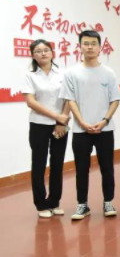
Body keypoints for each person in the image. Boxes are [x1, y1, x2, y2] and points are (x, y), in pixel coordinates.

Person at [59, 30, 120, 220]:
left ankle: (108, 202)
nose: (89, 47)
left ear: (99, 47)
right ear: (80, 47)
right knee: (81, 169)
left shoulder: (108, 73)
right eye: (85, 43)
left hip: (105, 129)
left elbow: (115, 100)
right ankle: (82, 205)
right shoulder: (71, 73)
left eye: (93, 43)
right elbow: (70, 100)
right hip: (81, 130)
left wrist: (104, 120)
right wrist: (81, 122)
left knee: (107, 168)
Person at [21, 39, 71, 218]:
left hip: (60, 125)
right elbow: (31, 101)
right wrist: (56, 116)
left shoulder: (63, 73)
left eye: (46, 50)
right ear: (33, 55)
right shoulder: (30, 75)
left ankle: (54, 202)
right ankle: (41, 204)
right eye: (38, 51)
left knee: (57, 164)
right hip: (39, 125)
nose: (43, 53)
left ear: (52, 52)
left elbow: (69, 98)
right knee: (39, 164)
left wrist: (61, 122)